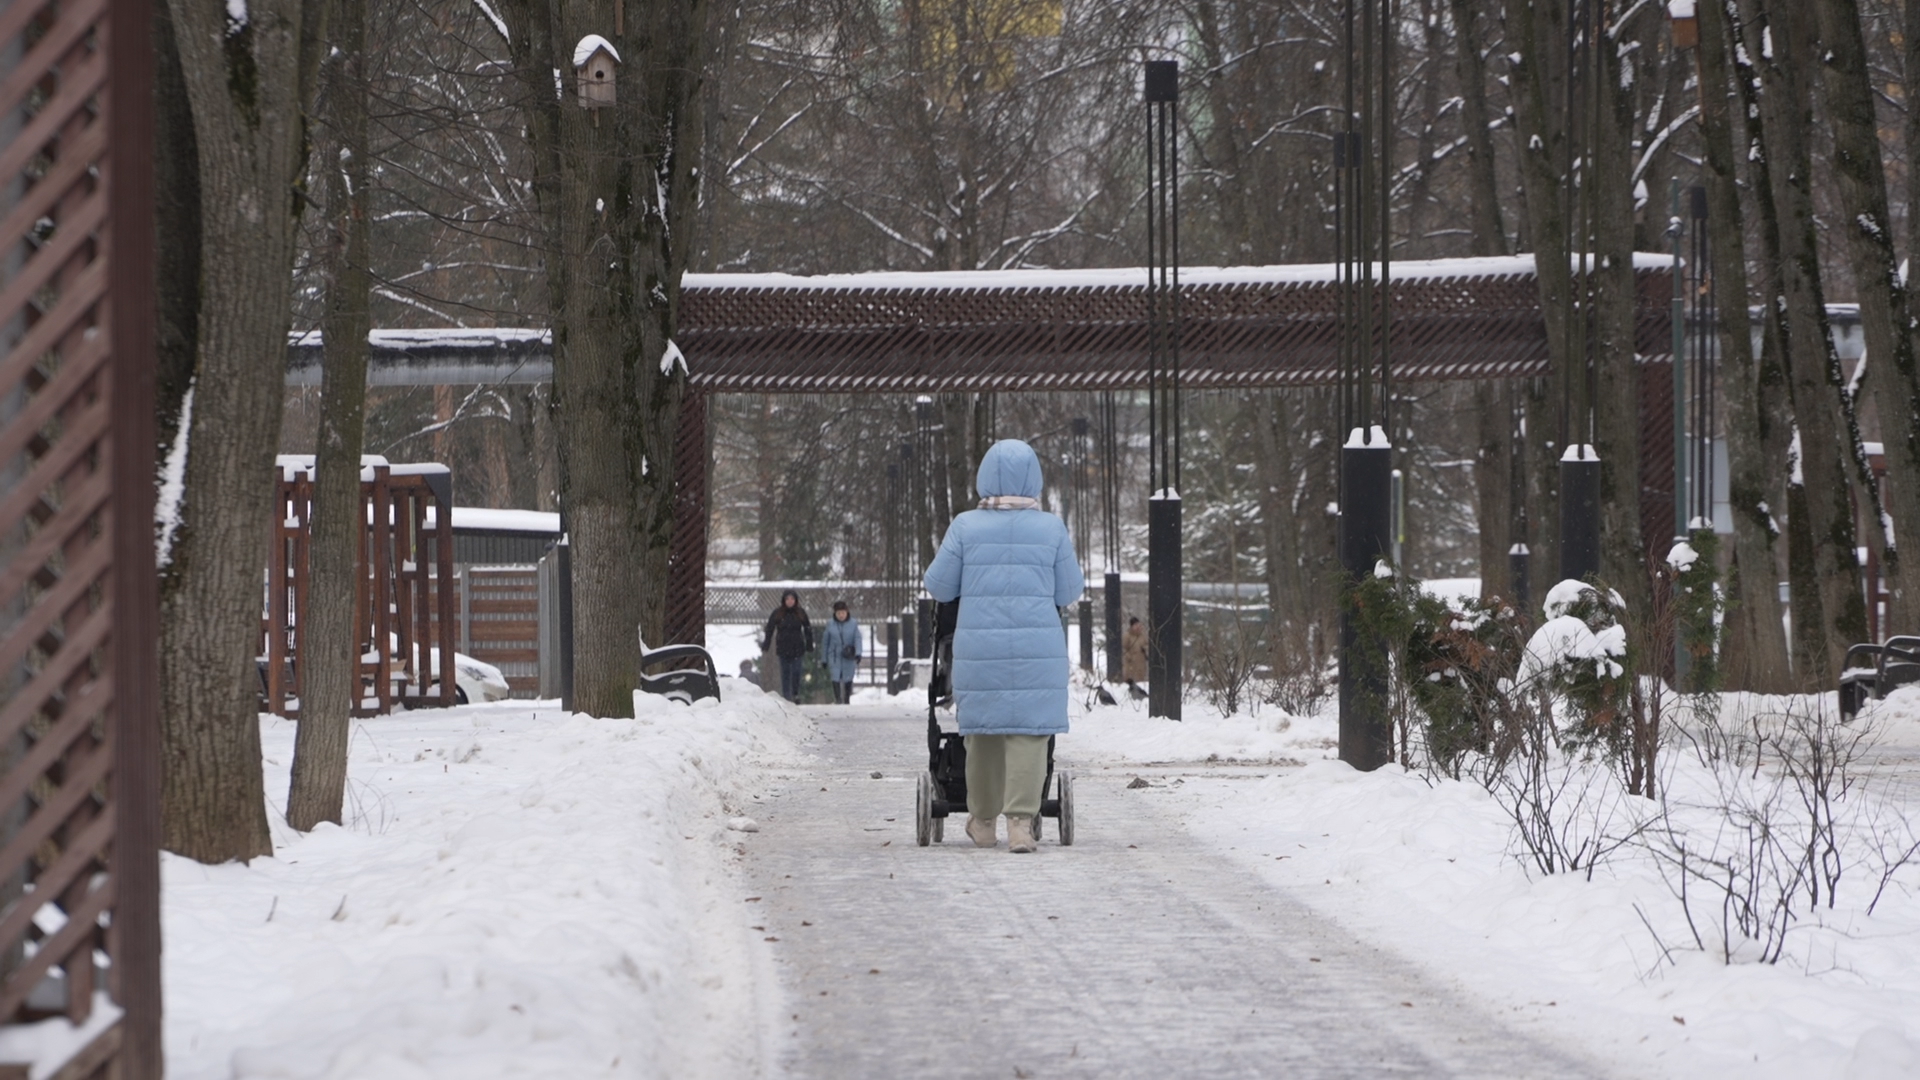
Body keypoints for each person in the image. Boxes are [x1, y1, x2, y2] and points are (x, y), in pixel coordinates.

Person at [924, 439, 1084, 854]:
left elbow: (939, 585)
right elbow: (1069, 590)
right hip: (1038, 647)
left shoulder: (965, 526)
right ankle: (1020, 825)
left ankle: (981, 822)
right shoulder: (1051, 528)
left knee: (983, 735)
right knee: (1030, 736)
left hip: (981, 649)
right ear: (1034, 477)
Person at [761, 589, 814, 702]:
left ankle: (795, 693)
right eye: (787, 599)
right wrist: (766, 644)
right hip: (783, 648)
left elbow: (808, 629)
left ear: (796, 601)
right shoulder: (778, 613)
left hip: (797, 648)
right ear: (784, 600)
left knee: (796, 672)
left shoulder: (800, 613)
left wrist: (809, 644)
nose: (790, 601)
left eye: (792, 599)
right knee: (785, 673)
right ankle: (786, 695)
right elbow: (770, 628)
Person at [820, 600, 861, 704]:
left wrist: (858, 653)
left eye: (843, 612)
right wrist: (824, 659)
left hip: (848, 654)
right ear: (835, 613)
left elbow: (857, 639)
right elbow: (825, 642)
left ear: (847, 612)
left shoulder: (853, 624)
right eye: (838, 613)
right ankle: (838, 698)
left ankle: (847, 698)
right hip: (834, 655)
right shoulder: (830, 624)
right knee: (835, 676)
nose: (841, 615)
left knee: (848, 676)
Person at [1122, 616, 1149, 700]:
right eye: (1136, 625)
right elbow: (1123, 648)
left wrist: (1145, 649)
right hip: (1130, 663)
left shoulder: (1142, 636)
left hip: (1141, 662)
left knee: (1140, 680)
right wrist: (1129, 656)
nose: (1138, 627)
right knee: (1131, 680)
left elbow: (1147, 645)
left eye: (1139, 625)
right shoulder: (1127, 636)